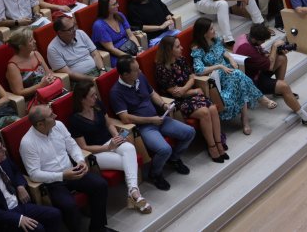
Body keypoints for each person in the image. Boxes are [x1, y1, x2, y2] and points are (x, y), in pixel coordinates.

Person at [19, 104, 111, 232]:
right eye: (51, 116)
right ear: (40, 124)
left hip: (72, 171)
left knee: (100, 185)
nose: (55, 116)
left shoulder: (59, 125)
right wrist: (62, 175)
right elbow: (34, 174)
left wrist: (80, 160)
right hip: (53, 182)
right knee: (69, 205)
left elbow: (72, 146)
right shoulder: (27, 143)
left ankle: (98, 227)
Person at [108, 57, 195, 192]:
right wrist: (151, 120)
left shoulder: (140, 77)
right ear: (125, 75)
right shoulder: (116, 92)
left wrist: (163, 104)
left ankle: (174, 158)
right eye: (136, 70)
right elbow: (125, 118)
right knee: (164, 149)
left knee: (189, 132)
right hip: (145, 126)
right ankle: (155, 174)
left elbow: (152, 93)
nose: (140, 71)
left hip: (159, 119)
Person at [66, 80, 150, 214]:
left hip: (110, 142)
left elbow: (109, 124)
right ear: (82, 99)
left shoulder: (98, 105)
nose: (96, 98)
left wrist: (117, 137)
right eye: (92, 96)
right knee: (129, 161)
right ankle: (135, 195)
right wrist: (107, 148)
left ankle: (133, 191)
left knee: (129, 148)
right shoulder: (75, 120)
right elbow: (84, 147)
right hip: (96, 153)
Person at [153, 34, 228, 161]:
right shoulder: (161, 69)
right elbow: (176, 94)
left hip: (188, 94)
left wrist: (184, 88)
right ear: (169, 50)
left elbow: (191, 77)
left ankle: (219, 143)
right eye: (178, 47)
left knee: (213, 109)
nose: (182, 48)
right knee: (205, 112)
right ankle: (211, 147)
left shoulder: (180, 60)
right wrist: (192, 91)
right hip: (176, 103)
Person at [0, 135, 63, 232]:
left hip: (21, 205)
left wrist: (20, 186)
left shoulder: (2, 159)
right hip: (5, 217)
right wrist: (18, 219)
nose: (5, 149)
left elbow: (16, 172)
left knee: (55, 214)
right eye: (0, 150)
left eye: (2, 146)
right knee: (38, 229)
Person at [238, 23, 307, 128]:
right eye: (262, 41)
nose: (263, 43)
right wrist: (274, 47)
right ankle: (306, 118)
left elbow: (261, 55)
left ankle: (278, 92)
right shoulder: (246, 49)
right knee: (284, 86)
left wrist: (277, 52)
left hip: (256, 71)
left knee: (281, 58)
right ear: (255, 39)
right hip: (252, 82)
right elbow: (269, 66)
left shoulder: (246, 37)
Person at [47, 15, 103, 83]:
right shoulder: (52, 49)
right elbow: (69, 73)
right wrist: (93, 79)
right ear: (60, 33)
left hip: (98, 70)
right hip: (80, 80)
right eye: (70, 29)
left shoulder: (80, 33)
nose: (74, 30)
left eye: (74, 26)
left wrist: (102, 70)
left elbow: (95, 53)